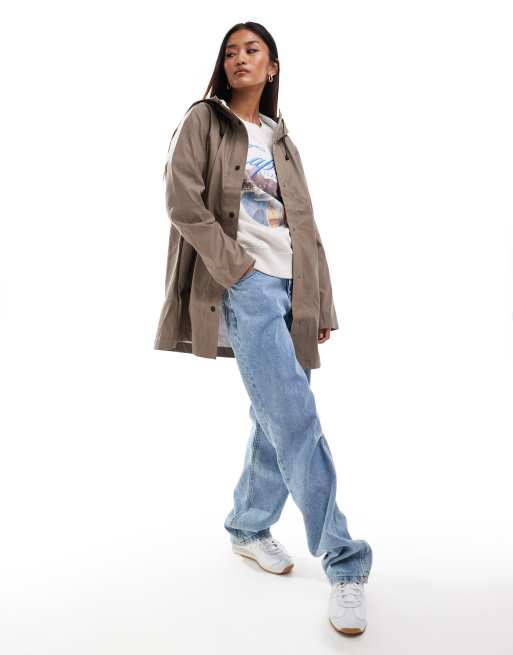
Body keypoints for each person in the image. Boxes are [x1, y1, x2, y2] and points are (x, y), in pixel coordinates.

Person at [154, 21, 373, 635]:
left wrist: (319, 303)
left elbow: (305, 224)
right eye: (230, 52)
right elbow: (182, 202)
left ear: (272, 66)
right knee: (296, 419)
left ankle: (248, 526)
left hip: (294, 288)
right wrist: (238, 270)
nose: (239, 59)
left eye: (252, 50)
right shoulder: (205, 119)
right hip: (246, 286)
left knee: (274, 417)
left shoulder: (279, 136)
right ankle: (345, 562)